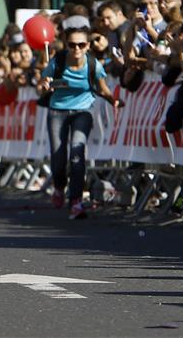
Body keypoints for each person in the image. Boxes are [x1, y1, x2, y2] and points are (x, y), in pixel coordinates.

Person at [37, 26, 121, 219]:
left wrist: (113, 100)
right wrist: (45, 86)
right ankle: (59, 187)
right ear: (66, 45)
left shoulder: (93, 65)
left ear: (88, 46)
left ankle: (75, 200)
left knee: (77, 152)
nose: (76, 49)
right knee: (58, 157)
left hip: (83, 111)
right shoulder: (57, 62)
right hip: (57, 111)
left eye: (81, 45)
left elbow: (103, 89)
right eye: (72, 45)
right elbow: (41, 86)